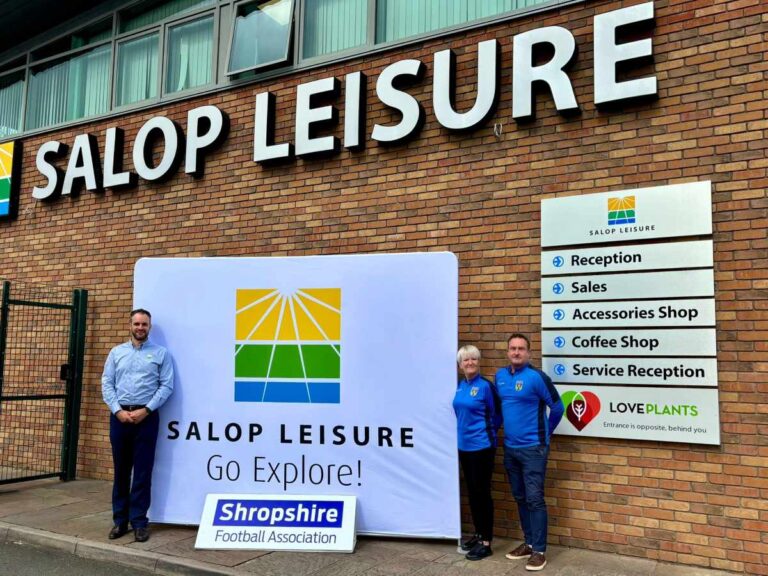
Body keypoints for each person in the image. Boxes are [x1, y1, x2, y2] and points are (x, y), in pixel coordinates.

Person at [101, 308, 174, 543]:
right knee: (121, 471)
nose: (140, 328)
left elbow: (166, 386)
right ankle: (120, 521)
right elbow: (107, 383)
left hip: (147, 418)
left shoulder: (161, 354)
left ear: (149, 327)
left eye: (144, 324)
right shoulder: (116, 353)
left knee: (142, 471)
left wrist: (147, 409)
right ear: (130, 325)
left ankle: (140, 521)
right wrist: (118, 410)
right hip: (120, 417)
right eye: (137, 324)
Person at [495, 334, 563, 571]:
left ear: (529, 353)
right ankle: (529, 542)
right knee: (520, 497)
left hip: (533, 449)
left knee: (534, 499)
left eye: (521, 349)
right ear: (507, 352)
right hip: (511, 449)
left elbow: (558, 407)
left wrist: (546, 435)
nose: (516, 352)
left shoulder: (537, 378)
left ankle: (539, 551)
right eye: (512, 348)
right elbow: (500, 409)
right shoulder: (500, 377)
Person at [453, 345, 499, 561]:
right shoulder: (461, 386)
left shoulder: (485, 387)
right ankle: (479, 533)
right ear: (460, 364)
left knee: (482, 493)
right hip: (464, 447)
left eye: (473, 359)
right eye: (465, 360)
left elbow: (497, 415)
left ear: (478, 361)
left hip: (482, 448)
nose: (469, 363)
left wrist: (486, 434)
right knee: (472, 493)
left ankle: (486, 542)